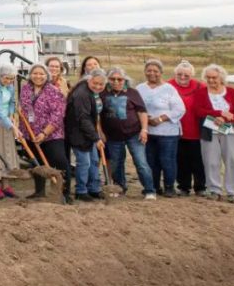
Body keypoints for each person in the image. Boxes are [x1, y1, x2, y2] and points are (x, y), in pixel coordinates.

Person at [100, 67, 155, 200]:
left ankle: (149, 190)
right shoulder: (102, 93)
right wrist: (100, 132)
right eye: (113, 79)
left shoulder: (132, 93)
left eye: (119, 79)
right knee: (116, 163)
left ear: (124, 80)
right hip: (113, 136)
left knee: (141, 162)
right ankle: (120, 188)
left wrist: (144, 129)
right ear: (108, 80)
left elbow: (142, 112)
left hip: (134, 134)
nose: (116, 82)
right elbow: (97, 115)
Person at [20, 64, 70, 201]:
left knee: (59, 161)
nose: (38, 76)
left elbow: (58, 115)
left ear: (46, 75)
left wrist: (44, 133)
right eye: (35, 73)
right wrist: (23, 131)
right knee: (37, 163)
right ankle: (39, 191)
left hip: (51, 135)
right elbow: (24, 111)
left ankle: (64, 192)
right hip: (31, 134)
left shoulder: (54, 91)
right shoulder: (25, 89)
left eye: (41, 74)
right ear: (30, 75)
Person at [136, 59, 185, 197]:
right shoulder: (140, 88)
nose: (152, 73)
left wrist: (161, 118)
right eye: (149, 70)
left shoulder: (169, 89)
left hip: (167, 132)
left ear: (161, 72)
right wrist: (145, 120)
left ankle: (169, 187)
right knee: (150, 161)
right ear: (145, 72)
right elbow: (136, 107)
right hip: (147, 131)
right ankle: (154, 186)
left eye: (155, 71)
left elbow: (180, 109)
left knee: (167, 160)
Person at [198, 64, 234, 203]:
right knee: (211, 161)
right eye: (208, 78)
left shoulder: (233, 92)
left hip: (230, 131)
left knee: (233, 161)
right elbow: (198, 111)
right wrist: (218, 114)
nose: (211, 80)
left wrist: (225, 118)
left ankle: (233, 192)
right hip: (209, 131)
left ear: (221, 78)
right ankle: (214, 190)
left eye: (214, 77)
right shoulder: (201, 92)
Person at [65, 68, 106, 202]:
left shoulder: (90, 92)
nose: (98, 86)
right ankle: (80, 191)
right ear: (89, 80)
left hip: (88, 133)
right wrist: (96, 138)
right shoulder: (82, 94)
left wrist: (95, 135)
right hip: (78, 134)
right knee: (84, 163)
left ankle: (94, 188)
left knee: (94, 161)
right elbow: (83, 119)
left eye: (101, 84)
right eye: (95, 83)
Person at [171, 60, 206, 196]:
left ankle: (200, 187)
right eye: (179, 74)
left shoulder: (200, 87)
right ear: (175, 74)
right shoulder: (169, 86)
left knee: (198, 161)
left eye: (186, 75)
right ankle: (183, 187)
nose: (183, 77)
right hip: (176, 131)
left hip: (197, 131)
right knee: (181, 161)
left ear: (192, 74)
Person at [0, 63, 21, 199]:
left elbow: (12, 101)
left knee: (7, 152)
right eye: (6, 78)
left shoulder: (11, 84)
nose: (9, 81)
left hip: (7, 121)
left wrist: (12, 115)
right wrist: (12, 126)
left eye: (12, 79)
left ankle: (6, 185)